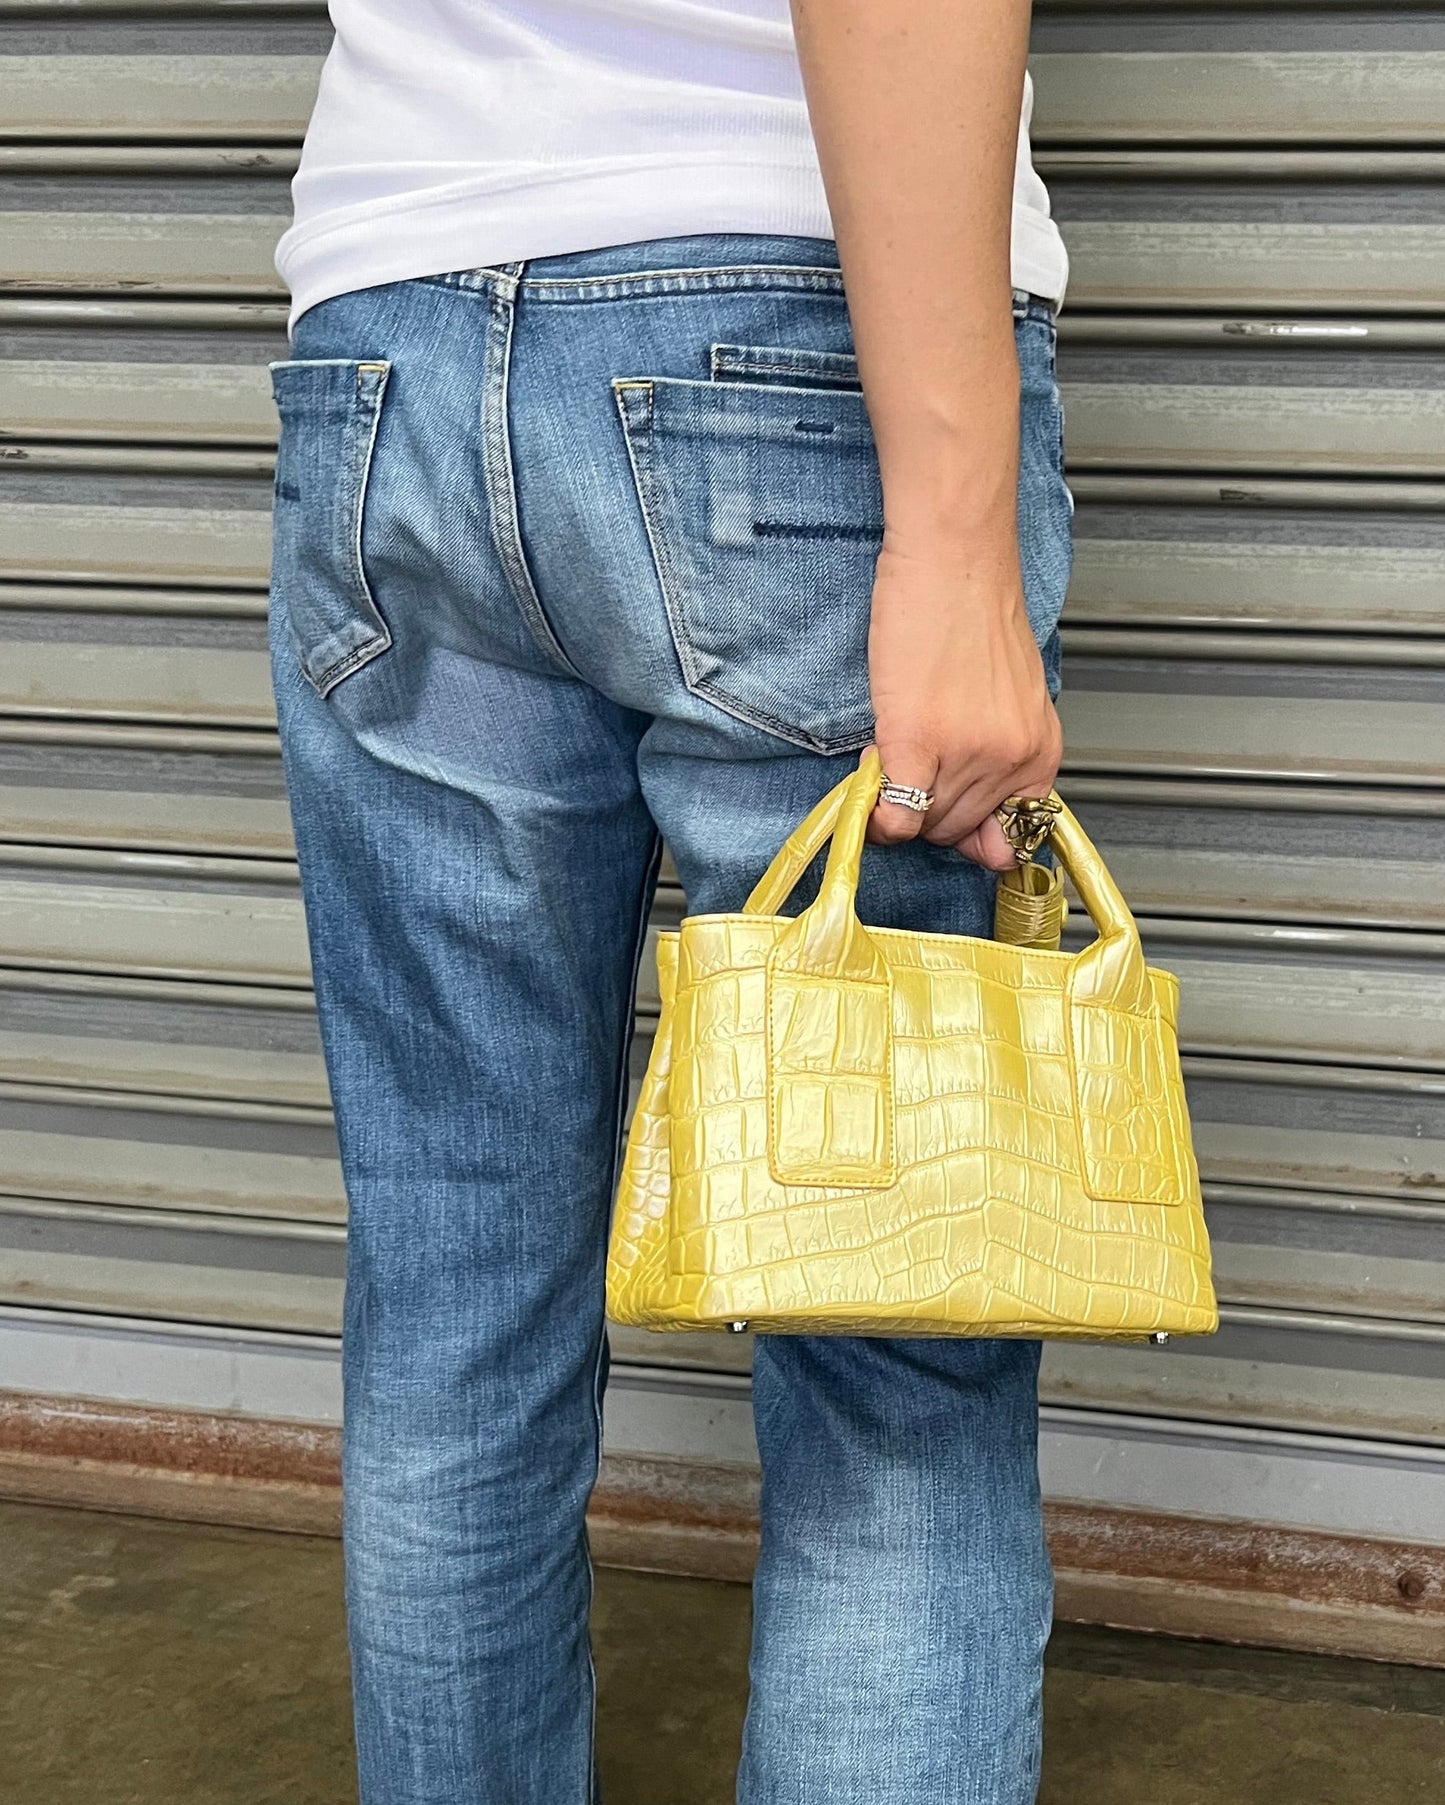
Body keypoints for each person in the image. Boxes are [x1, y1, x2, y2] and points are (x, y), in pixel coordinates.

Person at [270, 1, 1071, 1799]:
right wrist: (949, 537)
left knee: (455, 1291)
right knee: (892, 1338)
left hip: (383, 347)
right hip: (785, 342)